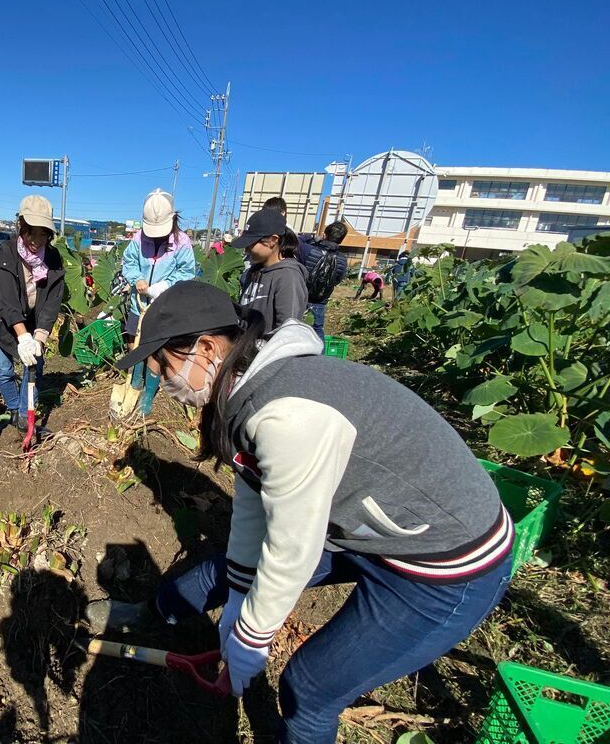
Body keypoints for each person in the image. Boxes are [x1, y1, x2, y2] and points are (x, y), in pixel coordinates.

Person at [87, 280, 513, 743]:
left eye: (162, 366)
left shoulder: (288, 415)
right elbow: (253, 503)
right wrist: (237, 601)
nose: (161, 381)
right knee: (224, 570)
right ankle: (154, 614)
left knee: (309, 688)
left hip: (443, 564)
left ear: (206, 349)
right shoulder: (247, 386)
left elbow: (292, 548)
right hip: (369, 523)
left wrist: (250, 638)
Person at [0, 195, 65, 432]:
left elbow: (52, 302)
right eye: (30, 232)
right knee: (4, 368)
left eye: (42, 233)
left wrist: (38, 338)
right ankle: (14, 409)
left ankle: (27, 416)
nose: (36, 240)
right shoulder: (5, 253)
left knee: (34, 364)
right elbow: (5, 300)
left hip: (31, 319)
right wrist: (23, 337)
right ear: (20, 227)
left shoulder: (54, 258)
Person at [120, 188, 196, 416]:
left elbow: (187, 272)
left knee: (154, 349)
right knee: (135, 342)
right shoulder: (138, 239)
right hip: (139, 302)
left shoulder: (181, 242)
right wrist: (137, 279)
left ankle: (148, 394)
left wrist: (163, 286)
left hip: (164, 305)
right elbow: (129, 263)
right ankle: (134, 382)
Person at [229, 209, 308, 335]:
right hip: (246, 349)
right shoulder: (254, 270)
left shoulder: (288, 277)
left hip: (267, 352)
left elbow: (286, 329)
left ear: (273, 240)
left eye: (251, 244)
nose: (246, 249)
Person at [297, 220, 349, 340]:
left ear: (324, 235)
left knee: (294, 325)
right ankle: (319, 356)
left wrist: (310, 236)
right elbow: (338, 279)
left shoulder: (309, 250)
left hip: (301, 296)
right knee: (317, 328)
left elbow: (296, 241)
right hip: (320, 300)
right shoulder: (342, 260)